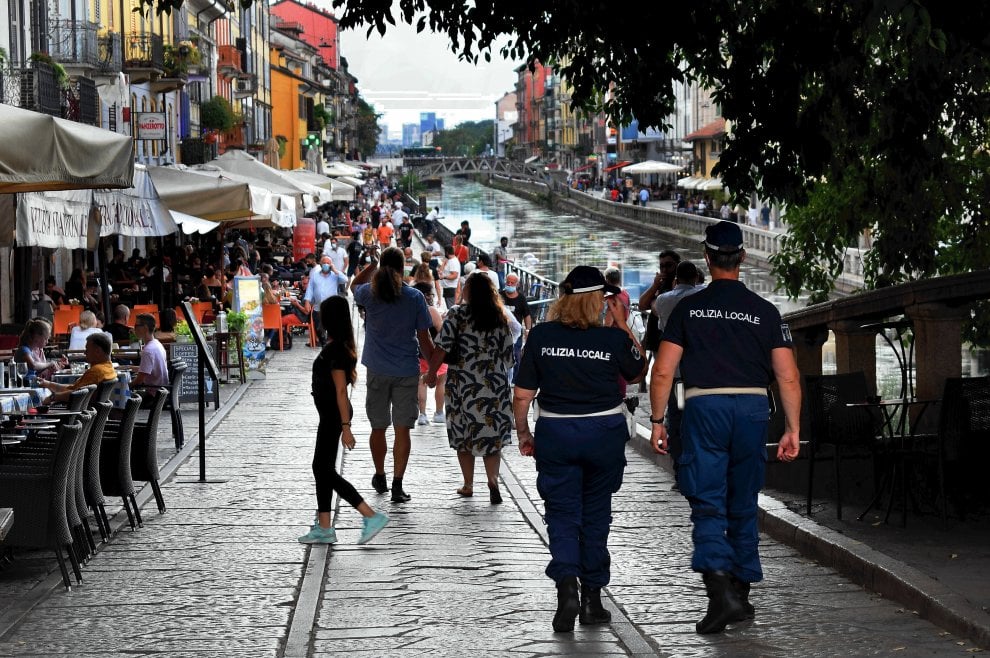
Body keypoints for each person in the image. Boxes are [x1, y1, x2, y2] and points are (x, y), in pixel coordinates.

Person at [648, 221, 801, 635]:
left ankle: (721, 594)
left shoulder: (688, 310)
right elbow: (787, 376)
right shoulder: (766, 311)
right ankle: (741, 590)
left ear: (707, 257)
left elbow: (662, 371)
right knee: (744, 498)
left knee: (708, 500)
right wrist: (793, 428)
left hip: (705, 406)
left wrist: (658, 420)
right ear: (743, 258)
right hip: (753, 406)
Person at [513, 266, 647, 633]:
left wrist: (524, 433)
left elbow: (523, 395)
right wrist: (622, 325)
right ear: (597, 301)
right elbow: (638, 371)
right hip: (603, 432)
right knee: (595, 514)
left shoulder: (540, 335)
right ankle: (591, 600)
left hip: (557, 431)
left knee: (562, 514)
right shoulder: (612, 339)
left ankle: (566, 590)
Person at [298, 296, 390, 545]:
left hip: (333, 415)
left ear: (331, 319)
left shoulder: (336, 350)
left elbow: (340, 391)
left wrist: (346, 427)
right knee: (322, 468)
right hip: (330, 414)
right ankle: (325, 527)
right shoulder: (337, 346)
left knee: (323, 469)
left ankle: (369, 515)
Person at [350, 246, 436, 503]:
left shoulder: (370, 292)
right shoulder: (414, 298)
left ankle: (380, 475)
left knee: (378, 427)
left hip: (376, 368)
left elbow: (355, 284)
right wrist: (433, 369)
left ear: (381, 267)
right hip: (406, 371)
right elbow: (425, 339)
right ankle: (398, 484)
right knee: (402, 430)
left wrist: (373, 264)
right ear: (403, 269)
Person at [426, 273, 520, 503]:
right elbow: (509, 356)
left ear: (469, 290)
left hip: (463, 383)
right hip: (494, 383)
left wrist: (431, 374)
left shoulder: (457, 314)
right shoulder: (499, 317)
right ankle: (492, 480)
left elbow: (442, 346)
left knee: (463, 432)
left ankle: (468, 484)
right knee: (491, 434)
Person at [651, 260, 704, 485]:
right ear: (695, 279)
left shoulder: (664, 300)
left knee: (677, 419)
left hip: (676, 374)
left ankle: (681, 470)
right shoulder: (703, 296)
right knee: (700, 420)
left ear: (676, 280)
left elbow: (653, 309)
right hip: (701, 373)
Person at [37, 333, 117, 404]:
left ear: (97, 351)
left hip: (77, 415)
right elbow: (74, 388)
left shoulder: (96, 371)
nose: (85, 353)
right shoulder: (109, 369)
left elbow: (77, 394)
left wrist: (53, 397)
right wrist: (48, 384)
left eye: (87, 349)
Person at [412, 282, 446, 426]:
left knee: (421, 383)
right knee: (441, 382)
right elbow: (442, 332)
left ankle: (422, 414)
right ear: (426, 295)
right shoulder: (431, 311)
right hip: (435, 352)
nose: (432, 297)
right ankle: (439, 413)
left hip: (417, 352)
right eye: (431, 294)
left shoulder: (410, 310)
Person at [304, 255, 346, 346]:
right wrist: (307, 302)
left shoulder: (335, 275)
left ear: (331, 264)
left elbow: (345, 280)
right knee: (319, 329)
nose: (326, 265)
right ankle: (324, 344)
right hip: (318, 308)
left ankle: (328, 346)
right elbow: (310, 289)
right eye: (324, 263)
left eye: (328, 263)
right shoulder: (315, 276)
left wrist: (335, 270)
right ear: (320, 264)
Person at [499, 272, 531, 382]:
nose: (509, 284)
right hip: (501, 332)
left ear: (516, 284)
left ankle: (515, 380)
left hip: (515, 333)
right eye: (508, 282)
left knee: (516, 356)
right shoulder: (499, 296)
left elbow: (527, 315)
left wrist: (528, 329)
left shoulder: (521, 298)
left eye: (512, 283)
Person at [131, 313, 169, 387]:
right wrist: (128, 367)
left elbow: (139, 380)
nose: (134, 328)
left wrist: (127, 385)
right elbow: (147, 369)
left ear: (145, 328)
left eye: (136, 326)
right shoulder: (157, 344)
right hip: (162, 390)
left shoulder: (148, 350)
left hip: (152, 393)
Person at [439, 245, 460, 310]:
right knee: (449, 307)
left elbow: (455, 275)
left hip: (451, 287)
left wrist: (444, 277)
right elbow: (440, 271)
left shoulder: (453, 262)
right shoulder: (449, 260)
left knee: (451, 308)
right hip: (447, 287)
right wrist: (444, 262)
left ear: (447, 252)